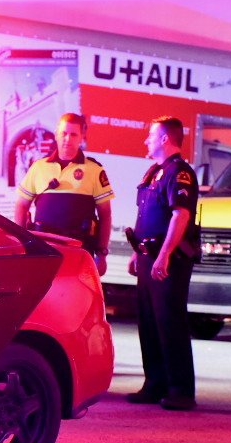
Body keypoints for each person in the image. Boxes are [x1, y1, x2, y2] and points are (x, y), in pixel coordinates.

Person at [126, 116, 200, 410]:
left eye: (151, 135)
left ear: (165, 139)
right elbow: (145, 214)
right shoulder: (154, 173)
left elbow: (180, 215)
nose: (147, 140)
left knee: (170, 322)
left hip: (168, 259)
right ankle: (154, 383)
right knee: (149, 322)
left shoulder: (180, 174)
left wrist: (165, 254)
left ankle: (181, 390)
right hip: (148, 256)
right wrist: (136, 252)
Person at [14, 113, 114, 274]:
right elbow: (21, 205)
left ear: (82, 137)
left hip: (79, 252)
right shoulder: (39, 167)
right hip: (44, 252)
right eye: (64, 133)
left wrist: (102, 254)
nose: (67, 139)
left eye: (73, 134)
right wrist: (21, 243)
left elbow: (106, 215)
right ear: (56, 134)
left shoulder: (94, 170)